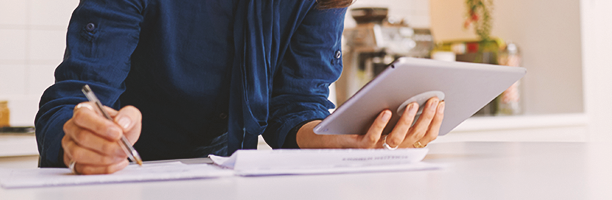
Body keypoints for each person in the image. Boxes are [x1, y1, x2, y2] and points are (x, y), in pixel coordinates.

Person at [35, 0, 445, 175]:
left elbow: (296, 103)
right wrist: (83, 133)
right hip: (127, 182)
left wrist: (340, 137)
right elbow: (73, 99)